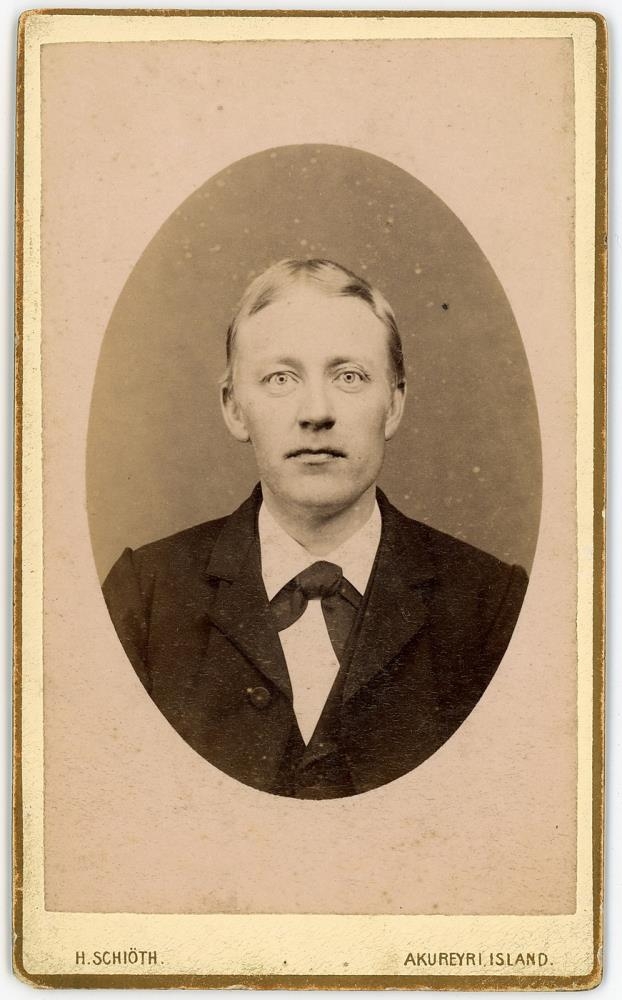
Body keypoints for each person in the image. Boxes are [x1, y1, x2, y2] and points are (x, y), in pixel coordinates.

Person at [103, 258, 528, 799]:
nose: (316, 412)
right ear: (235, 408)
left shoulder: (492, 605)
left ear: (394, 405)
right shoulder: (144, 597)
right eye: (281, 379)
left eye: (349, 376)